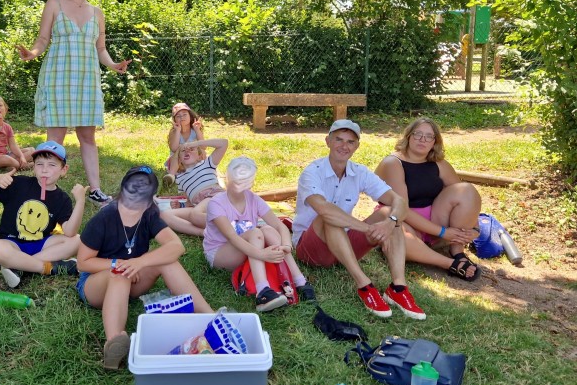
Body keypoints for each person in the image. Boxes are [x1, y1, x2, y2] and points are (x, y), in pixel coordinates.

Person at [17, 0, 132, 207]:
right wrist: (32, 54)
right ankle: (43, 190)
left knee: (88, 137)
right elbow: (42, 40)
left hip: (87, 81)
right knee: (54, 140)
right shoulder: (54, 4)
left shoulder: (97, 13)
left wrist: (113, 65)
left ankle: (96, 190)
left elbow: (101, 49)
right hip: (58, 78)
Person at [76, 166, 214, 369]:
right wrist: (118, 264)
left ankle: (208, 316)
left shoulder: (150, 215)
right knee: (119, 274)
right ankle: (114, 341)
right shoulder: (104, 218)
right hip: (96, 284)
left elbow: (176, 246)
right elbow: (83, 262)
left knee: (167, 261)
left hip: (134, 278)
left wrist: (140, 262)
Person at [292, 120, 426, 320]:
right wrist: (366, 228)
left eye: (350, 142)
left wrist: (390, 222)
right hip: (311, 248)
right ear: (327, 141)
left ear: (357, 146)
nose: (344, 146)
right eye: (338, 139)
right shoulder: (312, 172)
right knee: (330, 216)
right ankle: (364, 285)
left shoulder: (359, 171)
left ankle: (398, 287)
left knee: (390, 215)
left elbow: (398, 201)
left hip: (342, 242)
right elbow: (325, 210)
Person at [373, 117, 482, 281]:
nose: (422, 140)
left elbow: (466, 198)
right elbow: (402, 210)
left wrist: (475, 228)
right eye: (417, 134)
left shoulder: (439, 164)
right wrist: (443, 232)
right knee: (396, 234)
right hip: (403, 221)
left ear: (435, 142)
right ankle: (448, 263)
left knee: (467, 189)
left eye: (429, 136)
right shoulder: (393, 163)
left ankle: (457, 251)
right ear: (408, 136)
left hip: (435, 221)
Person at [204, 156, 315, 312]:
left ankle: (299, 281)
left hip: (248, 248)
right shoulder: (216, 203)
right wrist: (262, 255)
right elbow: (232, 238)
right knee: (256, 232)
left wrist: (286, 245)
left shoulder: (254, 199)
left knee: (268, 230)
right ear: (227, 178)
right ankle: (262, 292)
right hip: (220, 253)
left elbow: (279, 226)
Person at [0, 141, 86, 288]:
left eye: (52, 165)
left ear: (64, 170)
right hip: (11, 242)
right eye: (39, 164)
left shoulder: (62, 199)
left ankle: (18, 266)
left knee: (77, 240)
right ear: (33, 167)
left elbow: (70, 232)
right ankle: (49, 268)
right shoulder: (19, 184)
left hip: (41, 244)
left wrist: (80, 201)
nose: (44, 170)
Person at [159, 138, 228, 237]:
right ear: (179, 159)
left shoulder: (207, 164)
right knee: (165, 215)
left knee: (195, 215)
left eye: (191, 149)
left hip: (214, 197)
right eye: (183, 150)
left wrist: (196, 143)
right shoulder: (180, 178)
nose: (187, 151)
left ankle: (228, 227)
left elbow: (223, 143)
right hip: (199, 208)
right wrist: (181, 206)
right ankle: (205, 233)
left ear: (200, 155)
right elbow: (190, 201)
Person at [162, 102, 204, 185]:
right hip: (178, 162)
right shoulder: (174, 132)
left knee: (203, 152)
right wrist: (177, 131)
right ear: (174, 120)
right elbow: (173, 149)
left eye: (184, 114)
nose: (182, 117)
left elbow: (204, 146)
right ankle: (171, 175)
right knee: (179, 149)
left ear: (190, 116)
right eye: (178, 116)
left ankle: (201, 172)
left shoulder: (195, 130)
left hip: (192, 159)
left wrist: (197, 130)